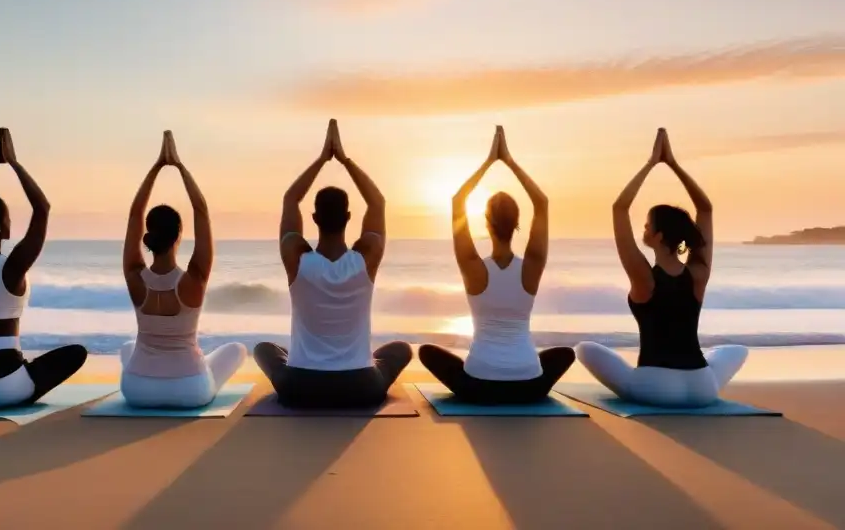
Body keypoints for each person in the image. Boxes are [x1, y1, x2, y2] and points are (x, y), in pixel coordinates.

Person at [575, 128, 748, 408]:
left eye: (647, 225)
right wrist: (674, 164)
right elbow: (705, 210)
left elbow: (619, 209)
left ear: (657, 236)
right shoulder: (698, 274)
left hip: (653, 386)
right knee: (735, 351)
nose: (643, 229)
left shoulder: (644, 278)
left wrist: (652, 163)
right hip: (703, 387)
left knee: (584, 350)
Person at [254, 119, 412, 408]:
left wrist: (322, 159)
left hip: (300, 388)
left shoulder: (297, 259)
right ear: (349, 217)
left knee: (264, 350)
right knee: (401, 350)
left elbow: (291, 200)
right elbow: (377, 202)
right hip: (361, 387)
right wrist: (344, 159)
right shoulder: (366, 258)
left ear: (314, 218)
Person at [418, 126, 575, 404]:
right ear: (517, 225)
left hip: (478, 386)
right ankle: (522, 369)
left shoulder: (472, 266)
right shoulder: (532, 265)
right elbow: (541, 202)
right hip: (529, 387)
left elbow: (457, 202)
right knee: (565, 354)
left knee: (427, 353)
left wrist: (489, 162)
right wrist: (509, 161)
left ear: (486, 224)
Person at [0, 129, 87, 408]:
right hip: (0, 386)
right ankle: (19, 378)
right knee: (75, 353)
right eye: (8, 218)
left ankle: (17, 373)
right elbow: (42, 208)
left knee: (21, 364)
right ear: (1, 228)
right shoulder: (11, 268)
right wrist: (14, 163)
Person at [119, 131, 246, 408]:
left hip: (137, 390)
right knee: (237, 349)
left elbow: (134, 215)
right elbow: (200, 209)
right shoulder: (195, 278)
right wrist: (178, 166)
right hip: (189, 390)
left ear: (149, 236)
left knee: (128, 348)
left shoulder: (134, 276)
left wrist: (156, 168)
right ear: (179, 235)